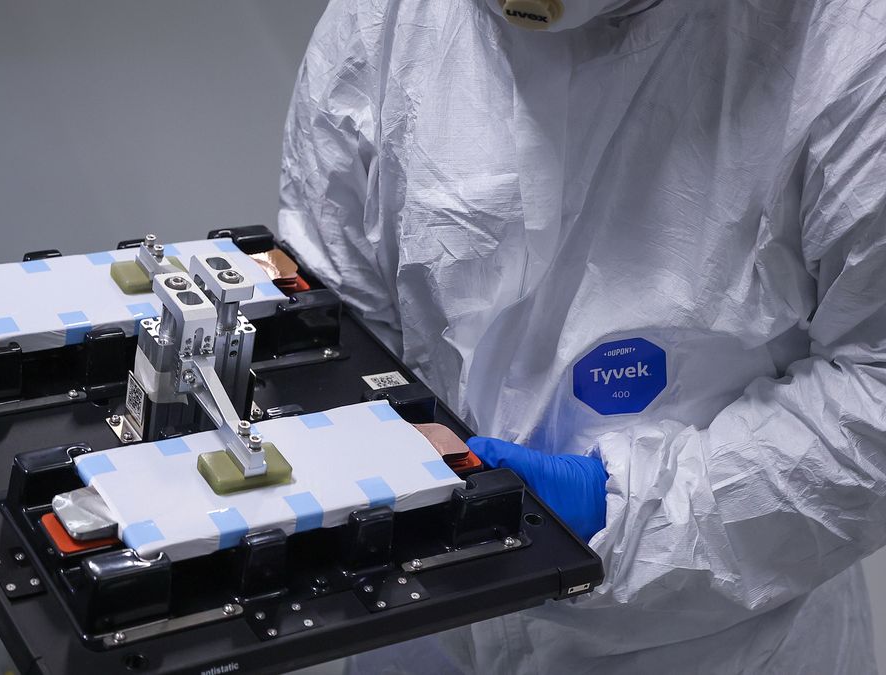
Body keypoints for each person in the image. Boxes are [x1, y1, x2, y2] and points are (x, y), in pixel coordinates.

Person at [278, 0, 886, 672]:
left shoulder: (847, 43)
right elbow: (339, 326)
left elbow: (875, 393)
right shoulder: (386, 22)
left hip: (718, 643)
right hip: (428, 624)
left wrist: (620, 513)